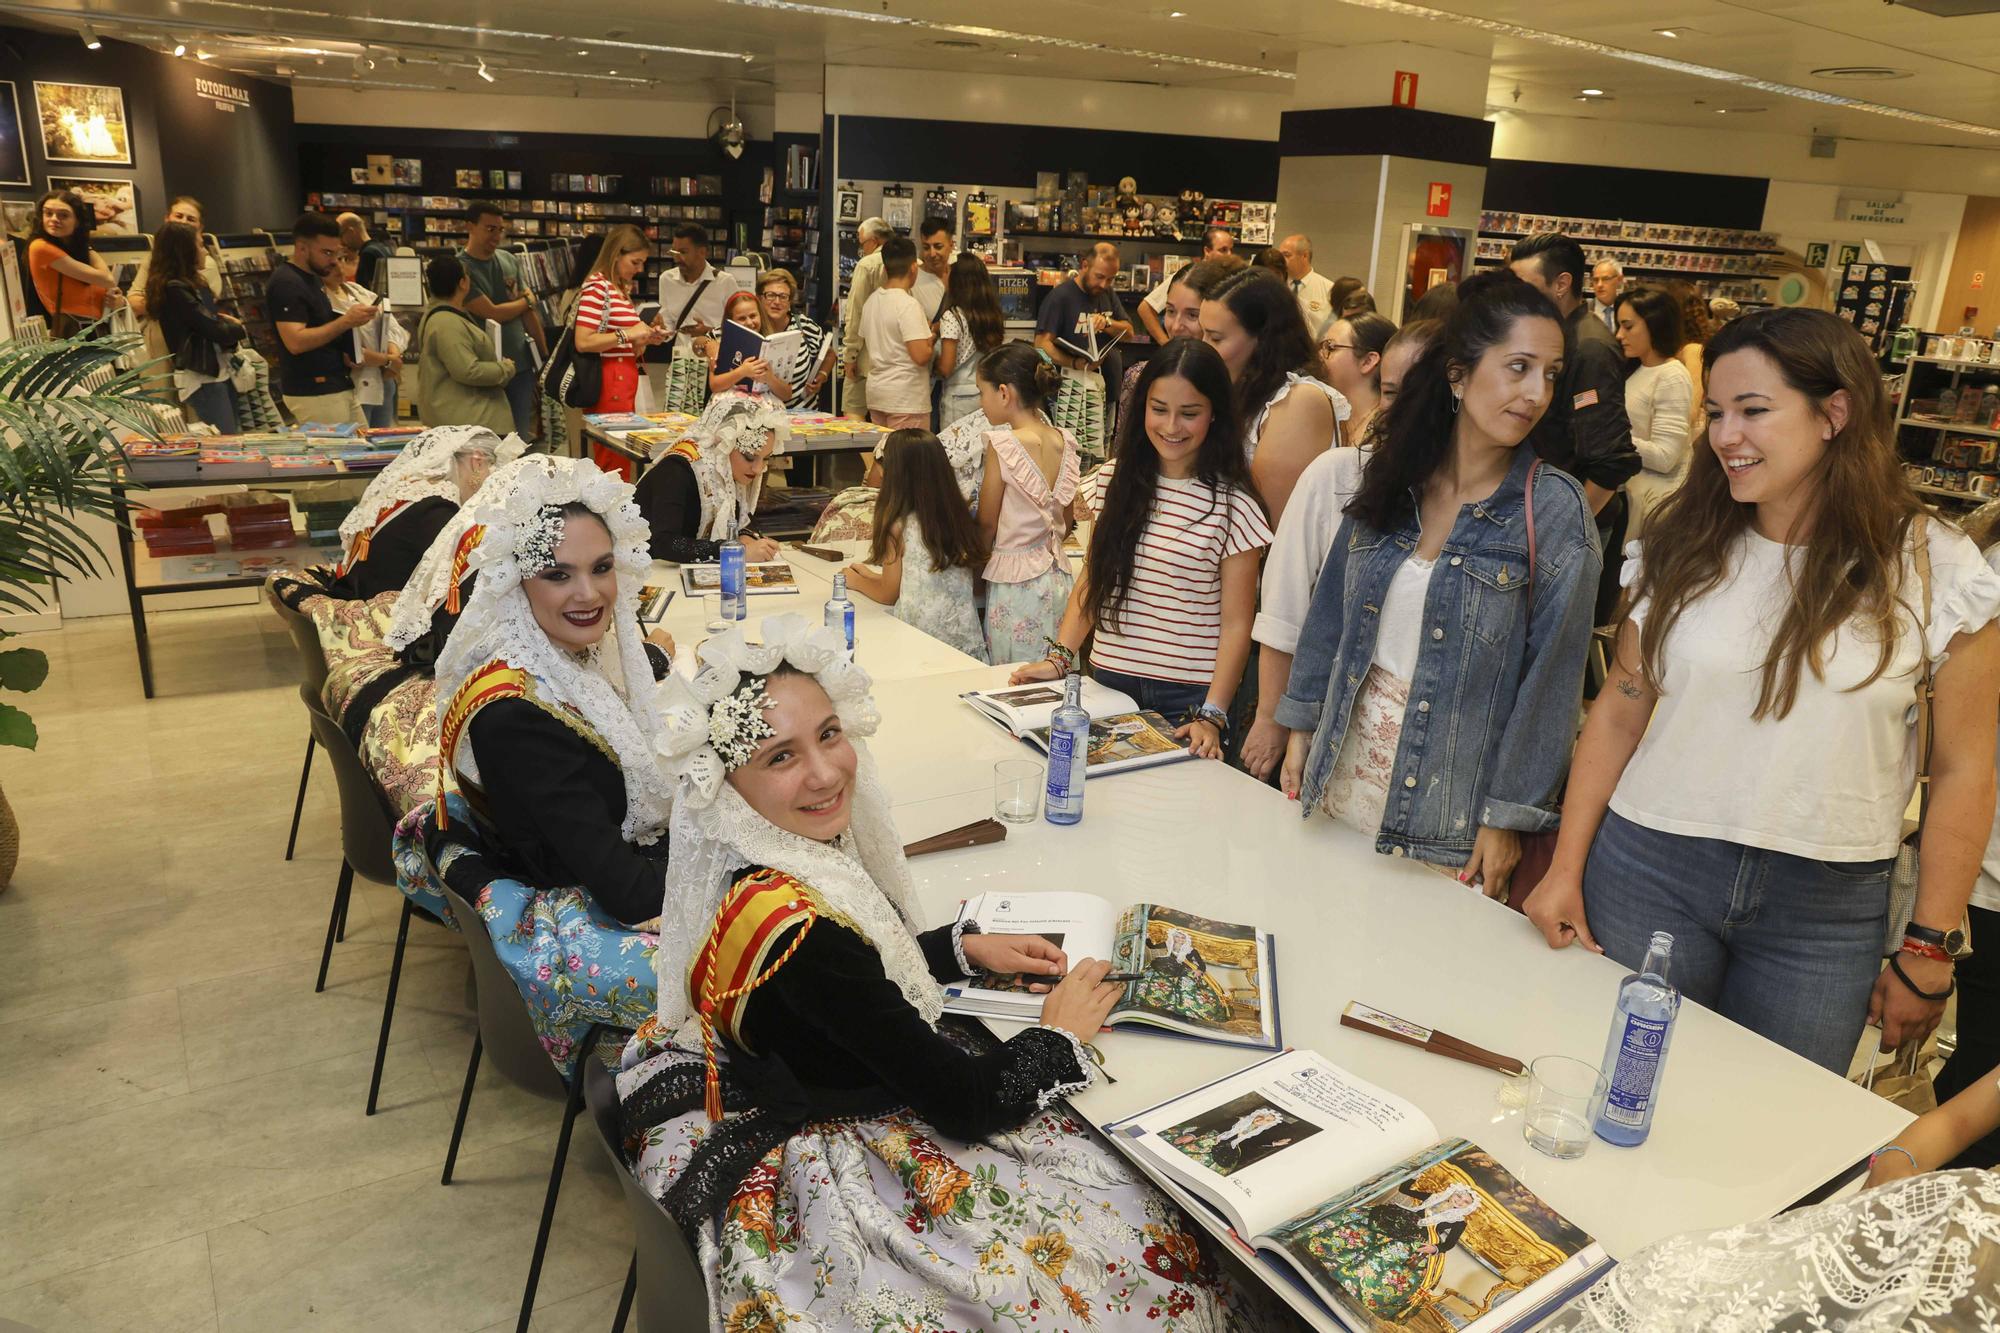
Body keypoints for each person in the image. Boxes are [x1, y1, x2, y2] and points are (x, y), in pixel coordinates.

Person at [615, 614, 1257, 1332]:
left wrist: (958, 948)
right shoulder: (809, 937)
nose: (824, 771)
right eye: (780, 756)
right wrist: (1057, 1034)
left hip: (804, 1066)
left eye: (829, 734)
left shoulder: (762, 863)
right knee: (1138, 1240)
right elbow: (965, 1100)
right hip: (845, 1137)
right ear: (729, 781)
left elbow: (852, 978)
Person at [1521, 308, 2000, 1074]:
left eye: (1753, 410)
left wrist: (1929, 944)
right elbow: (1620, 706)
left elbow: (1967, 770)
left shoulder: (1938, 568)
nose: (1724, 435)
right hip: (1651, 868)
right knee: (1606, 1083)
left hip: (1825, 907)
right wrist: (1564, 869)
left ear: (1834, 413)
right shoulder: (1684, 541)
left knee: (1765, 1139)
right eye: (1715, 412)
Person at [1276, 273, 1601, 900]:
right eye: (1518, 367)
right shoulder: (1398, 475)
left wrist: (1508, 815)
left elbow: (1553, 683)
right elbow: (1332, 611)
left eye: (1551, 374)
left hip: (1449, 808)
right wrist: (1302, 719)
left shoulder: (1553, 509)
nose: (1536, 392)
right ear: (1458, 374)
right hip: (1339, 773)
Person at [1011, 339, 1270, 761]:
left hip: (1188, 699)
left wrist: (1213, 713)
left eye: (1190, 413)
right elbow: (1094, 578)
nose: (1171, 426)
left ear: (1215, 414)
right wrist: (1060, 658)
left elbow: (1238, 624)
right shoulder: (1111, 482)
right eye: (1159, 409)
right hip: (1107, 682)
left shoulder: (1233, 505)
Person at [1245, 319, 1441, 781]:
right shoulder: (1338, 475)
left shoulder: (1482, 504)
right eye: (1391, 393)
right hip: (1331, 728)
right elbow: (1287, 608)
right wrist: (1274, 717)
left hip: (1425, 758)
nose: (1401, 410)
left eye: (1417, 393)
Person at [1510, 231, 1641, 623]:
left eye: (1524, 285)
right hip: (1540, 514)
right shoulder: (1553, 336)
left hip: (1568, 527)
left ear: (1562, 284)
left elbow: (1611, 461)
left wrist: (1565, 530)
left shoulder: (1589, 348)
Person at [1200, 266, 1346, 526]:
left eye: (1216, 338)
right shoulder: (1239, 387)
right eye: (1203, 334)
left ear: (1262, 339)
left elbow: (1270, 525)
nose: (1204, 347)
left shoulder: (1299, 400)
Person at [320, 425, 523, 601]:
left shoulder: (415, 489)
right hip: (379, 612)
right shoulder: (436, 509)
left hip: (361, 588)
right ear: (477, 461)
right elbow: (465, 575)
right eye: (491, 469)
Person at [841, 429, 988, 661]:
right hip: (964, 643)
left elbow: (888, 594)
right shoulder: (958, 515)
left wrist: (856, 581)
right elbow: (921, 582)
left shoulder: (897, 524)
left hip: (918, 640)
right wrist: (872, 576)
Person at [976, 344, 1080, 664]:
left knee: (1015, 678)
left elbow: (987, 524)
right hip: (1059, 579)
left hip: (1014, 583)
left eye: (982, 393)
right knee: (1056, 675)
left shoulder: (1003, 444)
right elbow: (1067, 518)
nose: (981, 403)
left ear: (1004, 393)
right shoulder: (1064, 439)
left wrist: (974, 570)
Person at [634, 393, 785, 564]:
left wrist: (745, 536)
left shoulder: (728, 469)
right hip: (648, 570)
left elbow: (741, 517)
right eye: (750, 457)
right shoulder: (676, 470)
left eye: (766, 458)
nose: (758, 469)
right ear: (723, 444)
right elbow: (665, 543)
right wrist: (733, 552)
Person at [269, 211, 378, 425]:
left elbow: (322, 327)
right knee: (336, 455)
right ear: (302, 248)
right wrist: (346, 321)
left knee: (362, 452)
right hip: (315, 391)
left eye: (336, 253)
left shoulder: (312, 278)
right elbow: (295, 342)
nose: (332, 261)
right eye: (326, 253)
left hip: (336, 384)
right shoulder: (287, 283)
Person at [572, 224, 670, 456]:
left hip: (622, 380)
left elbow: (622, 342)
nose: (640, 269)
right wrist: (628, 334)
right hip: (608, 383)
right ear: (616, 255)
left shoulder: (617, 289)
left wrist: (645, 338)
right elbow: (583, 341)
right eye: (635, 262)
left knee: (621, 452)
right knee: (612, 454)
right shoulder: (598, 287)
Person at [1118, 254, 1246, 425]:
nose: (1176, 326)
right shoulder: (1140, 377)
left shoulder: (1239, 385)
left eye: (1193, 315)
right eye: (1170, 311)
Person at [458, 201, 547, 440]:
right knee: (485, 437)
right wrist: (526, 301)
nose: (496, 235)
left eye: (500, 229)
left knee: (519, 435)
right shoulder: (461, 269)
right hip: (484, 367)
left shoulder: (509, 260)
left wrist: (544, 355)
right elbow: (491, 312)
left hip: (520, 365)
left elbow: (529, 314)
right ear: (470, 226)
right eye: (490, 229)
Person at [144, 221, 244, 433]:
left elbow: (213, 321)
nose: (204, 251)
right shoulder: (175, 288)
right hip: (203, 376)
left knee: (230, 436)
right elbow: (212, 327)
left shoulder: (192, 284)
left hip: (216, 371)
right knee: (226, 441)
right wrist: (236, 327)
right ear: (184, 251)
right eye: (199, 245)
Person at [1613, 286, 1694, 536]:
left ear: (1654, 324)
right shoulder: (1638, 368)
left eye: (1628, 326)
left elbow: (1665, 457)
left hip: (1652, 506)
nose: (1619, 335)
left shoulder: (1672, 376)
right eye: (1619, 326)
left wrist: (1612, 438)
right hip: (1631, 495)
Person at [413, 254, 515, 436]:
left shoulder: (442, 316)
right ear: (463, 283)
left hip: (463, 418)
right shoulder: (446, 323)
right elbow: (468, 370)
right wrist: (504, 368)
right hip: (469, 421)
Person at [326, 245, 408, 431]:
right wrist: (387, 360)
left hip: (384, 380)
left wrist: (393, 355)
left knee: (384, 442)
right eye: (332, 264)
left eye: (342, 260)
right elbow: (350, 351)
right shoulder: (322, 298)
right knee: (360, 446)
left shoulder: (357, 290)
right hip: (354, 386)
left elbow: (394, 328)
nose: (339, 268)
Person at [858, 236, 935, 431]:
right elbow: (921, 355)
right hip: (906, 397)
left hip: (877, 393)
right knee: (907, 458)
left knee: (885, 455)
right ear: (913, 268)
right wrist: (931, 336)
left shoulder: (871, 302)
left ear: (885, 268)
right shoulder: (908, 304)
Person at [1034, 241, 1133, 393]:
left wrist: (1107, 323)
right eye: (1099, 276)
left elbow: (1129, 334)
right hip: (1069, 391)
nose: (1103, 284)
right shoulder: (1060, 297)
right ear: (1085, 265)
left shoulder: (1107, 293)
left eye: (1110, 279)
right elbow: (1040, 346)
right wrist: (1073, 363)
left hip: (1107, 385)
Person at [28, 189, 120, 335]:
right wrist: (87, 246)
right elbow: (107, 279)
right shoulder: (41, 247)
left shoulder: (72, 249)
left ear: (77, 221)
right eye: (48, 213)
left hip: (96, 327)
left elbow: (107, 287)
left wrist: (116, 300)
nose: (54, 219)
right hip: (74, 329)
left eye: (63, 215)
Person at [934, 252, 1004, 430]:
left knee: (955, 453)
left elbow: (946, 367)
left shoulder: (952, 316)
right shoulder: (990, 314)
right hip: (984, 393)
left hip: (957, 397)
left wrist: (932, 363)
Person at [1137, 226, 1235, 345]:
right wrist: (1166, 344)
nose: (1229, 255)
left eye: (1231, 250)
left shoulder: (1231, 280)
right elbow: (1145, 308)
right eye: (1223, 250)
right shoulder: (1186, 277)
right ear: (1207, 251)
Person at [127, 195, 218, 320]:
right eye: (179, 216)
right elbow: (133, 300)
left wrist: (155, 303)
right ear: (167, 219)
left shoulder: (206, 263)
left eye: (191, 219)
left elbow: (204, 309)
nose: (183, 222)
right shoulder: (152, 259)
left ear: (200, 227)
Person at [754, 268, 830, 410]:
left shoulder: (805, 326)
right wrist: (709, 344)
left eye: (783, 297)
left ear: (790, 302)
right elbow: (711, 338)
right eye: (770, 295)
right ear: (759, 298)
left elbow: (829, 352)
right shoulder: (751, 324)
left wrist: (822, 375)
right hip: (760, 417)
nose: (777, 302)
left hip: (802, 414)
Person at [838, 217, 892, 420]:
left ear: (875, 240)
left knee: (853, 416)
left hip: (865, 356)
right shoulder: (912, 262)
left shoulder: (867, 265)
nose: (862, 249)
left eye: (862, 244)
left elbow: (855, 312)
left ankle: (866, 454)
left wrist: (849, 355)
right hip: (897, 361)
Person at [1321, 312, 1397, 446]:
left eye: (1330, 347)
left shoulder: (1389, 429)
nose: (1320, 356)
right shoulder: (1325, 416)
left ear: (1368, 361)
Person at [657, 221, 739, 346]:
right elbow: (668, 326)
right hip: (681, 359)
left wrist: (708, 331)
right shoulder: (666, 279)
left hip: (714, 357)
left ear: (702, 252)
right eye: (674, 252)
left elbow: (738, 328)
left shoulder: (725, 282)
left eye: (683, 252)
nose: (677, 258)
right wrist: (660, 329)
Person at [706, 289, 793, 399]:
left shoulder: (773, 344)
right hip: (730, 405)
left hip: (766, 409)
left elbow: (787, 395)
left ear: (760, 315)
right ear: (731, 321)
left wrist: (770, 378)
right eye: (741, 318)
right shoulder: (722, 346)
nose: (749, 322)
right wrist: (742, 372)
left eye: (753, 316)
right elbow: (714, 385)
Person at [1277, 233, 1335, 340]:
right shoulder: (1276, 287)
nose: (1281, 261)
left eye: (1287, 255)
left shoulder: (1329, 289)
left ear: (1304, 256)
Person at [338, 211, 394, 293]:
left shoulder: (367, 254)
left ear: (351, 232)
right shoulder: (382, 248)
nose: (341, 242)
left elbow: (364, 291)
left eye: (341, 235)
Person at [914, 216, 952, 321]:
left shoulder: (960, 275)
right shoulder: (912, 279)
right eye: (926, 247)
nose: (932, 254)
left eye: (938, 247)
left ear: (951, 245)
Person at [1589, 258, 1623, 333]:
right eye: (1595, 280)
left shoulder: (1628, 311)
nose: (1599, 285)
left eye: (1606, 279)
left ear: (1619, 280)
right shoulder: (1583, 312)